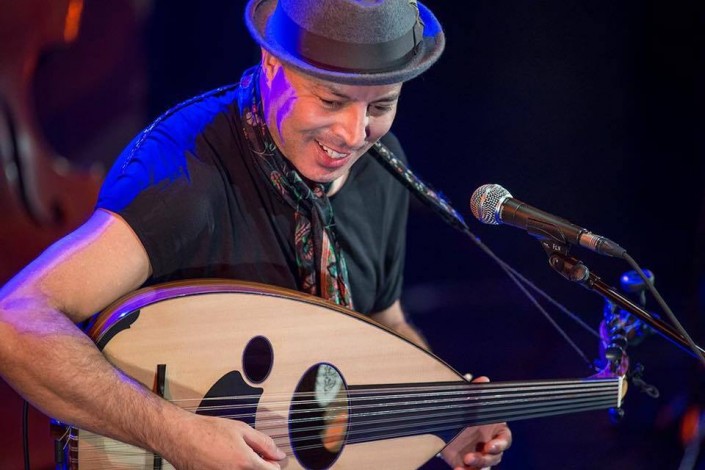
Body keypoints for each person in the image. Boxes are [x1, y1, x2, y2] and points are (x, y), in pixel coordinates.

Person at [0, 0, 511, 468]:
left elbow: (380, 319)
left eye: (379, 107)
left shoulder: (382, 166)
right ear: (271, 64)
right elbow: (16, 321)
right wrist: (176, 434)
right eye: (331, 101)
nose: (355, 135)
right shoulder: (185, 175)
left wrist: (443, 413)